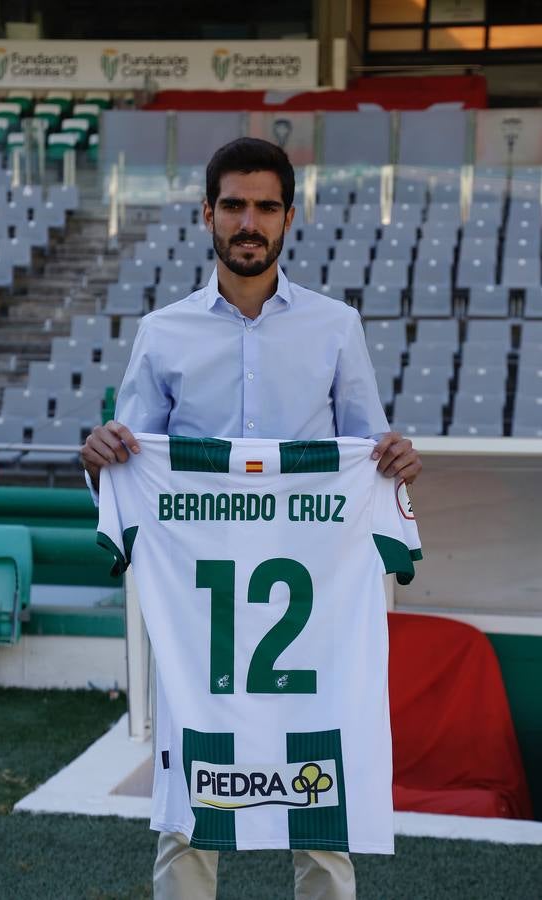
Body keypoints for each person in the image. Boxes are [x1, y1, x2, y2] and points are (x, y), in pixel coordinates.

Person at [82, 137, 422, 900]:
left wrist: (394, 459)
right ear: (207, 214)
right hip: (198, 607)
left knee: (321, 814)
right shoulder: (162, 333)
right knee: (188, 811)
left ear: (289, 218)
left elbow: (367, 452)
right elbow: (129, 468)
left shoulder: (336, 327)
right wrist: (99, 456)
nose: (249, 221)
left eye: (266, 206)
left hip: (311, 607)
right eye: (233, 204)